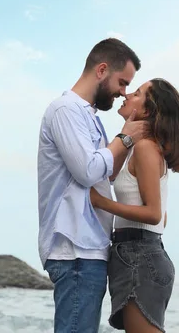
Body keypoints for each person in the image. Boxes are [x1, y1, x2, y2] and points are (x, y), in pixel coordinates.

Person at [37, 38, 149, 333]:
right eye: (122, 82)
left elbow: (104, 176)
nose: (123, 92)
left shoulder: (90, 118)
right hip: (74, 249)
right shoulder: (66, 110)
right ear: (102, 70)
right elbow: (87, 171)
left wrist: (129, 140)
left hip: (88, 249)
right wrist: (123, 138)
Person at [90, 78, 179, 333]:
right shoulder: (138, 147)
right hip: (137, 253)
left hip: (140, 256)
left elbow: (153, 213)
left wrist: (102, 202)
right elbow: (163, 217)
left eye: (136, 93)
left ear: (147, 110)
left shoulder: (146, 148)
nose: (126, 95)